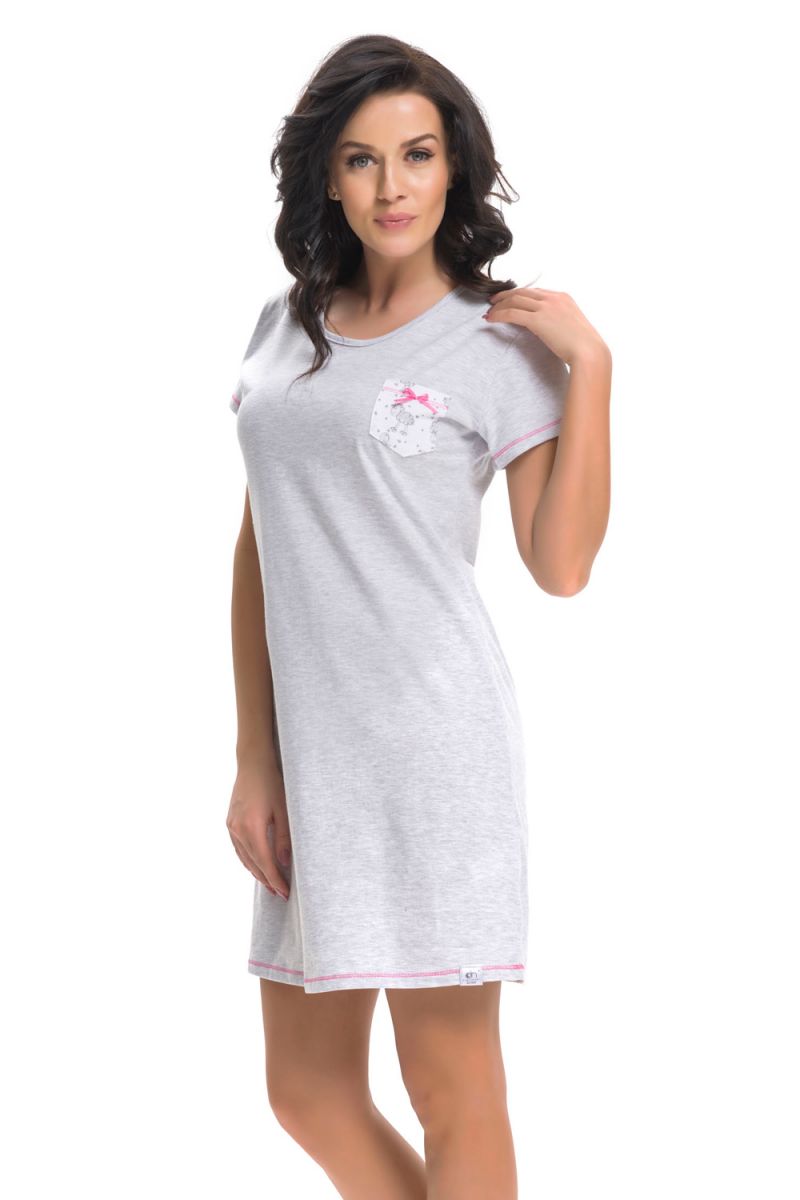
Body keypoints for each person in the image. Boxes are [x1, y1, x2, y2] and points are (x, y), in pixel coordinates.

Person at [225, 33, 611, 1200]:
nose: (390, 187)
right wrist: (256, 758)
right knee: (306, 1090)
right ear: (327, 176)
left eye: (417, 154)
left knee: (451, 1090)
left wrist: (591, 370)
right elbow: (259, 544)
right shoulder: (283, 325)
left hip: (434, 755)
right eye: (360, 159)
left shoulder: (497, 342)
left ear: (454, 167)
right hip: (311, 763)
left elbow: (560, 566)